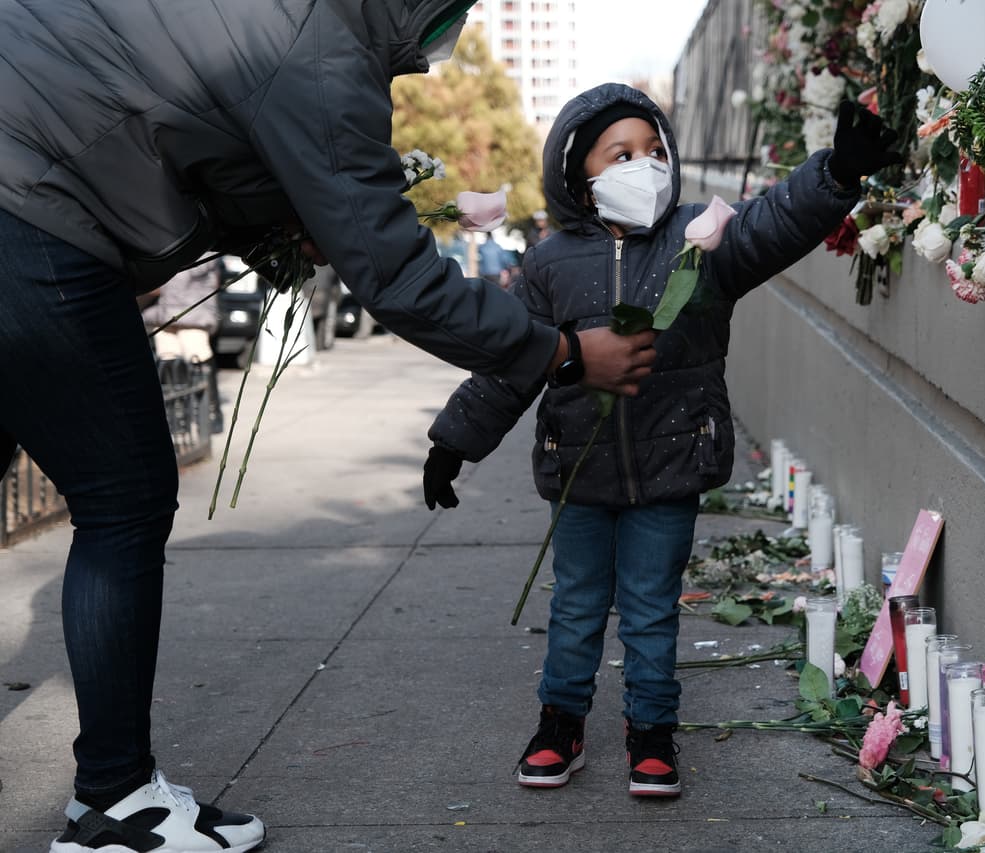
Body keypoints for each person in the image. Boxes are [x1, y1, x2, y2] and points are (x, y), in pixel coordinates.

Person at [0, 3, 655, 851]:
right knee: (122, 496)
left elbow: (185, 120)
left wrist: (273, 220)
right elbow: (400, 278)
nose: (444, 42)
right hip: (31, 206)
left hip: (26, 160)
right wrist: (561, 352)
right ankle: (114, 803)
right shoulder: (322, 46)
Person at [422, 84, 900, 797]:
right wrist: (454, 441)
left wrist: (836, 173)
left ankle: (651, 728)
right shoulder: (549, 263)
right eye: (620, 154)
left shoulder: (700, 239)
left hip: (671, 463)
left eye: (653, 150)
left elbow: (775, 220)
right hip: (579, 472)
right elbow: (513, 362)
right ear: (578, 173)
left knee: (650, 607)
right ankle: (561, 722)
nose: (642, 165)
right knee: (576, 604)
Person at [140, 259, 226, 434]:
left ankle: (211, 411)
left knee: (197, 356)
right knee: (168, 357)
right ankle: (178, 413)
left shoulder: (202, 252)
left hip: (193, 314)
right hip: (165, 314)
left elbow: (185, 274)